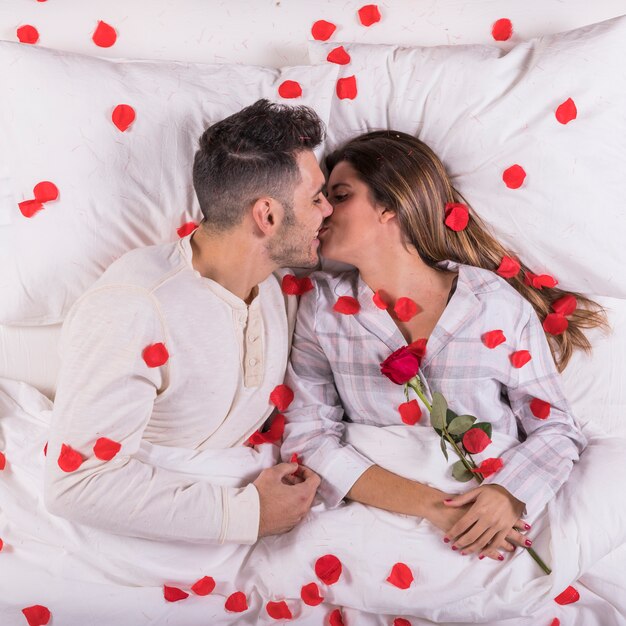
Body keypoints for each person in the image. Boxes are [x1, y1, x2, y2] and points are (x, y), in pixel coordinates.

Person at [280, 129, 607, 562]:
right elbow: (309, 437)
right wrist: (437, 509)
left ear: (391, 205)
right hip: (383, 524)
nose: (321, 211)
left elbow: (555, 428)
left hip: (494, 527)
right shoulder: (322, 309)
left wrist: (508, 493)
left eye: (339, 195)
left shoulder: (493, 304)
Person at [43, 99, 332, 545]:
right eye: (316, 198)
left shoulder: (275, 288)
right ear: (268, 216)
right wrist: (249, 514)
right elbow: (75, 484)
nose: (328, 210)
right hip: (135, 532)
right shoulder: (134, 306)